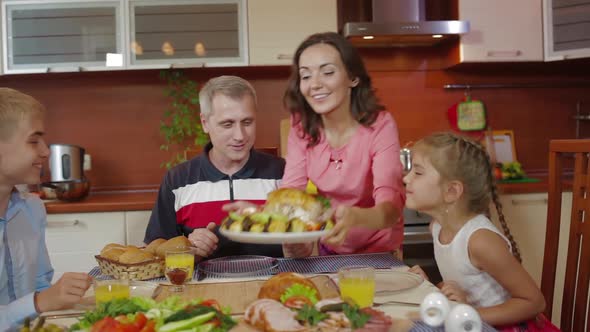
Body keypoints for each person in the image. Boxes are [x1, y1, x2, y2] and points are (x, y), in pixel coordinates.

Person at [405, 132, 554, 330]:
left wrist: (467, 312)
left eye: (418, 172)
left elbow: (534, 302)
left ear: (452, 191)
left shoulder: (480, 240)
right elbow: (465, 287)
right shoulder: (437, 228)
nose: (406, 178)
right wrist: (432, 287)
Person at [278, 32, 405, 257]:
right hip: (330, 246)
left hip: (380, 250)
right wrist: (258, 214)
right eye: (305, 76)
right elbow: (291, 191)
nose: (315, 84)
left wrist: (357, 217)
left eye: (327, 72)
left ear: (353, 78)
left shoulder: (380, 125)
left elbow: (391, 208)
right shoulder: (301, 126)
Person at [144, 75, 286, 260]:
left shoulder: (283, 173)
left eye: (247, 122)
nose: (240, 135)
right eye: (227, 124)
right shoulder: (177, 180)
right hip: (201, 288)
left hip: (273, 283)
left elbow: (302, 243)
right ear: (205, 123)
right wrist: (188, 247)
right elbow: (153, 252)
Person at [0, 88, 92, 330]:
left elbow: (40, 286)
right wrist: (40, 302)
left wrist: (57, 296)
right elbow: (39, 300)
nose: (46, 150)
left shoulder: (32, 209)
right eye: (33, 140)